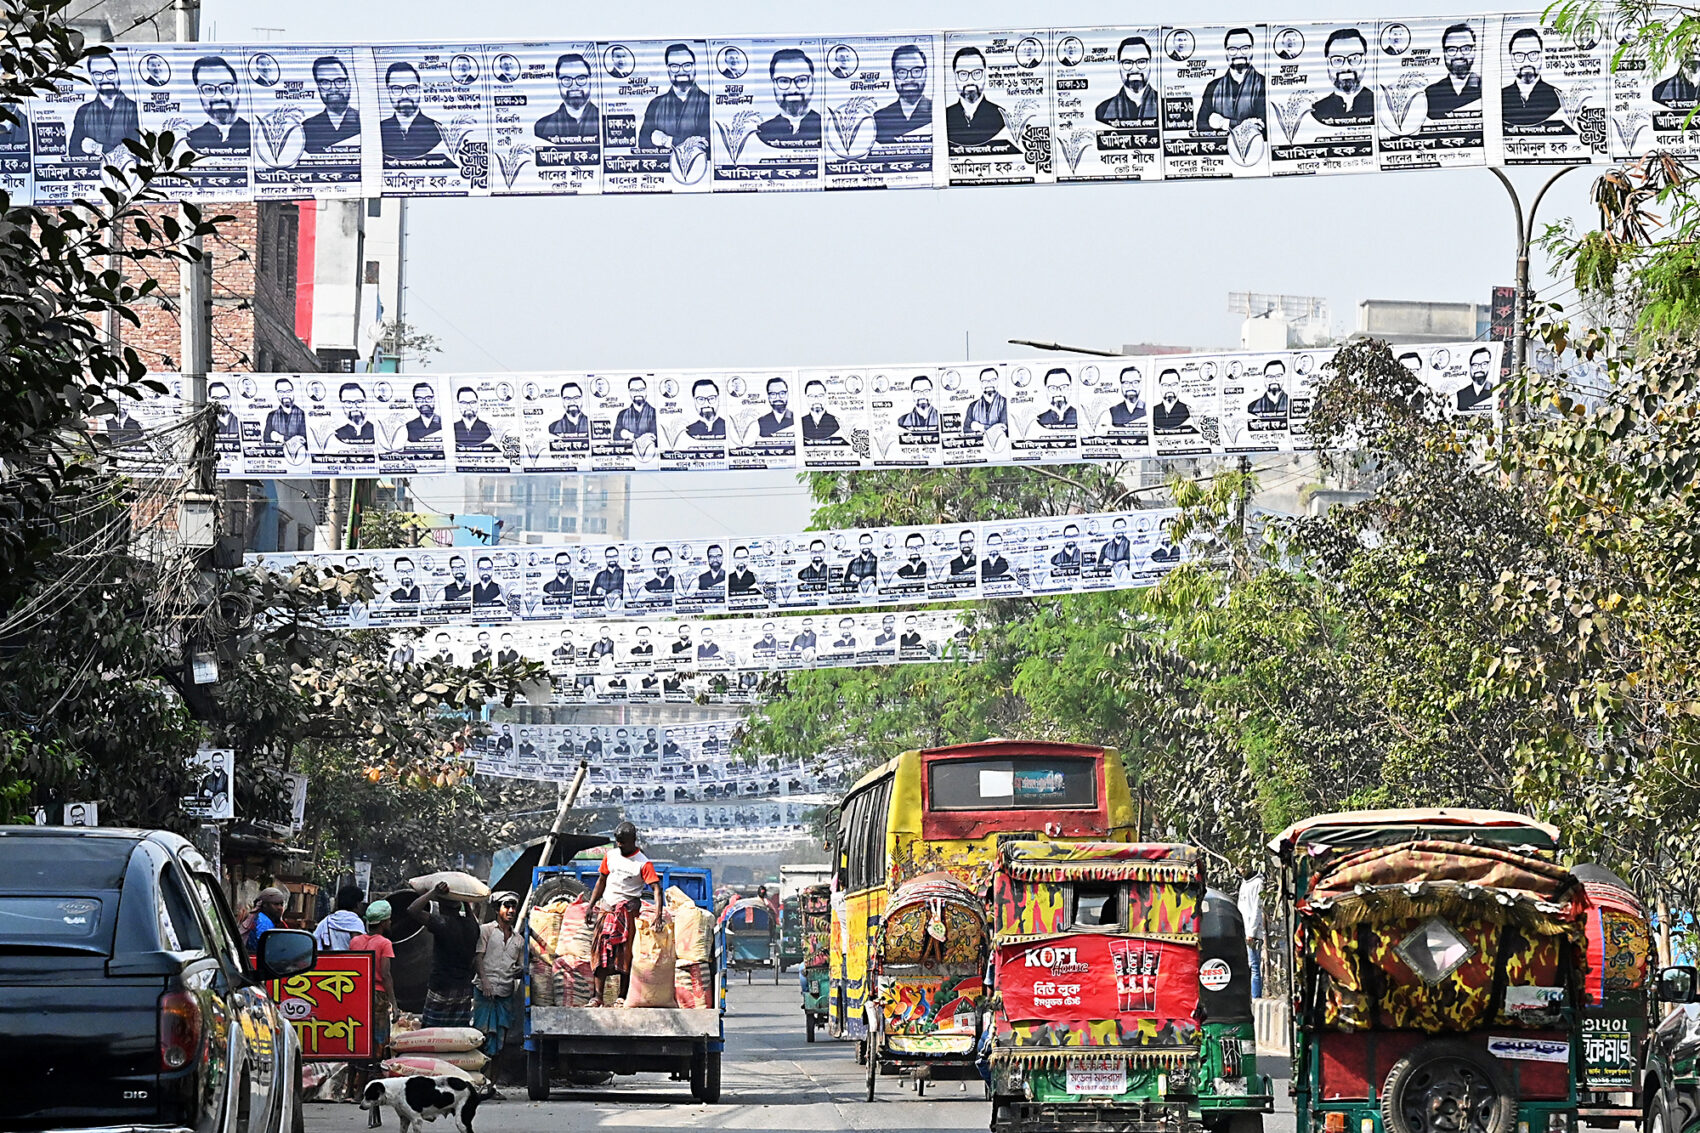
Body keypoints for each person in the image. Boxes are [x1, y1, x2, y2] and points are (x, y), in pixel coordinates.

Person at [586, 823, 664, 1004]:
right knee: (600, 951)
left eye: (623, 842)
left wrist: (658, 916)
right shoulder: (610, 856)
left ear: (633, 841)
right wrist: (591, 905)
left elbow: (656, 889)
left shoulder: (643, 863)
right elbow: (601, 880)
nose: (619, 845)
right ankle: (597, 996)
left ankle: (622, 996)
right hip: (607, 909)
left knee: (625, 955)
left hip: (627, 912)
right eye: (617, 842)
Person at [408, 881, 480, 1027]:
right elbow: (470, 915)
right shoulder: (472, 926)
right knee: (458, 1035)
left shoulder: (442, 924)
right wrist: (464, 898)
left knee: (432, 1032)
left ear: (441, 906)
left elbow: (412, 910)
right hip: (464, 989)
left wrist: (433, 892)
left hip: (441, 987)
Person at [473, 893, 526, 1057]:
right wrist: (485, 981)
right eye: (507, 906)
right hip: (484, 992)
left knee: (501, 1039)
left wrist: (521, 969)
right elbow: (478, 957)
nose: (511, 910)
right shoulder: (486, 931)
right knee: (479, 1035)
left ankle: (492, 1080)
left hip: (505, 994)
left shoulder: (519, 940)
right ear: (497, 909)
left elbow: (521, 964)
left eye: (513, 907)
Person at [349, 901, 396, 1067]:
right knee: (378, 1039)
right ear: (383, 923)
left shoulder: (355, 941)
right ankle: (372, 1074)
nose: (390, 923)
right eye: (389, 920)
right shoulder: (385, 943)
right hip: (377, 997)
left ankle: (354, 1077)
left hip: (357, 994)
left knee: (359, 1036)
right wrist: (394, 1005)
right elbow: (385, 975)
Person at [639, 43, 710, 151]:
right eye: (674, 66)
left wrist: (667, 140)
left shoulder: (709, 102)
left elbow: (706, 144)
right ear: (668, 69)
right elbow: (643, 142)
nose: (681, 71)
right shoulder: (655, 104)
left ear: (695, 66)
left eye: (687, 65)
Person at [70, 52, 140, 160]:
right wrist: (117, 150)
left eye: (110, 73)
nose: (105, 79)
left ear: (118, 73)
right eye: (98, 74)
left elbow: (136, 151)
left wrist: (97, 148)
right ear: (91, 77)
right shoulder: (83, 111)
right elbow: (74, 151)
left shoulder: (135, 109)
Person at [1196, 28, 1265, 135]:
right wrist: (1244, 124)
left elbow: (1263, 127)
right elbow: (1201, 125)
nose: (1238, 54)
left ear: (1252, 50)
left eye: (1245, 48)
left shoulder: (1264, 84)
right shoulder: (1213, 87)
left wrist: (1224, 123)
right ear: (1225, 52)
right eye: (1232, 49)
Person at [1501, 28, 1564, 129]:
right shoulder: (1500, 98)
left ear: (1541, 55)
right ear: (1511, 57)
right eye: (1519, 55)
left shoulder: (1559, 98)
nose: (1527, 62)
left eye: (1533, 54)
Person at [381, 62, 444, 161]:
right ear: (388, 91)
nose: (405, 95)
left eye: (411, 88)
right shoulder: (378, 130)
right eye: (396, 88)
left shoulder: (439, 131)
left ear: (420, 89)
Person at [757, 48, 820, 146]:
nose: (793, 89)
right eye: (783, 81)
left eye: (801, 80)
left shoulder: (827, 126)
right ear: (772, 84)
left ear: (813, 82)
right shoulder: (762, 131)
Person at [187, 56, 250, 154]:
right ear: (199, 93)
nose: (218, 97)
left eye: (226, 88)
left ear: (238, 89)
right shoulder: (190, 138)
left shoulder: (256, 134)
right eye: (208, 89)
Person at [1310, 29, 1374, 126]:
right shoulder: (1317, 110)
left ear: (1366, 61)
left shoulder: (1378, 104)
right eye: (1337, 60)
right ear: (1327, 64)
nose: (1346, 68)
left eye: (1354, 58)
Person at [947, 46, 1006, 147]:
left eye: (977, 73)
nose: (970, 81)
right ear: (954, 76)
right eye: (963, 74)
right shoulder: (945, 117)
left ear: (985, 74)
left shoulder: (1002, 116)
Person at [535, 52, 600, 140]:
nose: (574, 86)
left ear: (590, 80)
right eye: (566, 79)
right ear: (558, 83)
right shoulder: (542, 126)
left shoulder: (606, 122)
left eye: (581, 78)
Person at [874, 44, 931, 143]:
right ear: (894, 75)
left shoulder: (939, 113)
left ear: (925, 73)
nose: (909, 79)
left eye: (916, 71)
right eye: (902, 72)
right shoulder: (879, 119)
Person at [303, 55, 360, 152]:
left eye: (339, 81)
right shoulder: (306, 128)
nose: (333, 88)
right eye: (325, 82)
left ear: (349, 84)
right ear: (318, 87)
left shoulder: (364, 122)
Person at [1096, 37, 1158, 124]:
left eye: (1141, 62)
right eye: (1127, 62)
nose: (1135, 69)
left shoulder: (1164, 106)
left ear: (1150, 64)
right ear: (1119, 66)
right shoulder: (1103, 110)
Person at [1425, 23, 1481, 119]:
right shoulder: (1430, 94)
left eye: (1466, 48)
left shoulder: (1487, 88)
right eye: (1451, 49)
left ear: (1474, 50)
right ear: (1444, 53)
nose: (1459, 55)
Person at [1237, 865, 1265, 998]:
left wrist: (1251, 933)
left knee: (1254, 966)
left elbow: (1256, 910)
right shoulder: (1244, 884)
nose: (1240, 870)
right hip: (1243, 930)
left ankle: (1255, 998)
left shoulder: (1258, 883)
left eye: (1243, 866)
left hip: (1251, 933)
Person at [314, 884, 367, 951]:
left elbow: (316, 944)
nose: (362, 906)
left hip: (325, 961)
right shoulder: (356, 923)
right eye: (361, 902)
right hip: (348, 961)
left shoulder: (326, 922)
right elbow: (359, 951)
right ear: (357, 904)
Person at [962, 367, 1008, 437]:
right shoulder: (973, 406)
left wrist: (980, 427)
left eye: (993, 380)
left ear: (997, 381)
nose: (989, 384)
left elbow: (1004, 430)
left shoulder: (1006, 403)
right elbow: (966, 430)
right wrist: (993, 428)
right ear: (981, 384)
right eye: (985, 381)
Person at [243, 886, 289, 954]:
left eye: (281, 904)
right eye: (276, 904)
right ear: (265, 905)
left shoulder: (259, 918)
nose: (280, 908)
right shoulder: (263, 922)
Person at [262, 378, 306, 448]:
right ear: (277, 393)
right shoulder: (272, 415)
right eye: (281, 392)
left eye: (288, 391)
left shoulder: (303, 414)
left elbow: (303, 440)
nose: (285, 395)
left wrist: (280, 438)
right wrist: (292, 439)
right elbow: (266, 439)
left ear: (293, 392)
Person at [614, 376, 658, 447]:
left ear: (646, 391)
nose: (638, 393)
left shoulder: (655, 413)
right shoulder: (622, 414)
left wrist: (630, 435)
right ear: (629, 392)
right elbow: (616, 437)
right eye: (634, 390)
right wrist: (644, 436)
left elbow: (654, 438)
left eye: (641, 389)